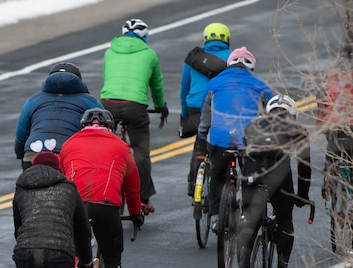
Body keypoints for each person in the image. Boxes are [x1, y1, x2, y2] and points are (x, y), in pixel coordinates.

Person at [59, 108, 144, 268]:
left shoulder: (68, 144)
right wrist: (136, 213)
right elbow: (132, 185)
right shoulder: (121, 147)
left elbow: (61, 177)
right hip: (107, 206)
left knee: (75, 245)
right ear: (111, 127)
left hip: (75, 204)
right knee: (113, 257)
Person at [236, 95, 311, 268]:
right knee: (285, 220)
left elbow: (244, 157)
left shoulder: (252, 126)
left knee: (250, 219)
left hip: (251, 176)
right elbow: (304, 168)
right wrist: (302, 196)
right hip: (278, 180)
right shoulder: (297, 130)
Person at [197, 46, 274, 231]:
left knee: (216, 176)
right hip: (248, 139)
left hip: (219, 139)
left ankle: (215, 216)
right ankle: (246, 215)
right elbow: (273, 110)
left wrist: (201, 135)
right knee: (251, 175)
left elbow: (205, 115)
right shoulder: (259, 84)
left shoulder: (214, 83)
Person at [100, 18, 169, 213]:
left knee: (105, 148)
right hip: (135, 106)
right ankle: (143, 199)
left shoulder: (109, 51)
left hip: (108, 104)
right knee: (141, 152)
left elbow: (108, 79)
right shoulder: (149, 54)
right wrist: (161, 107)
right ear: (144, 37)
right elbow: (156, 86)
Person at [14, 62, 103, 169]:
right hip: (69, 154)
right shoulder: (90, 102)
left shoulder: (33, 100)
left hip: (34, 152)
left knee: (27, 183)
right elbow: (103, 132)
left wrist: (21, 154)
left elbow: (21, 135)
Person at [181, 23, 232, 196]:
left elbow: (184, 90)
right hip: (221, 107)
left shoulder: (194, 58)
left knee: (200, 144)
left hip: (195, 108)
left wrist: (184, 115)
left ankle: (193, 183)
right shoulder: (233, 57)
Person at [317, 44, 353, 198]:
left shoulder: (332, 76)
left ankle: (329, 185)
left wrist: (320, 123)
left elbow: (322, 101)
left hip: (334, 125)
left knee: (331, 156)